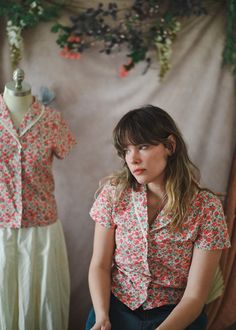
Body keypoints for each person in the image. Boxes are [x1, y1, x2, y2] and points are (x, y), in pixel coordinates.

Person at [86, 105, 231, 330]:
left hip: (176, 315)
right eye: (126, 150)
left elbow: (194, 297)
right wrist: (102, 317)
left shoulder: (206, 209)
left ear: (170, 146)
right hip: (115, 308)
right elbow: (100, 265)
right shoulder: (114, 195)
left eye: (142, 146)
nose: (132, 159)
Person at [0, 69, 76, 330]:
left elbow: (65, 149)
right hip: (0, 231)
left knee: (42, 302)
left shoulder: (52, 121)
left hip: (42, 230)